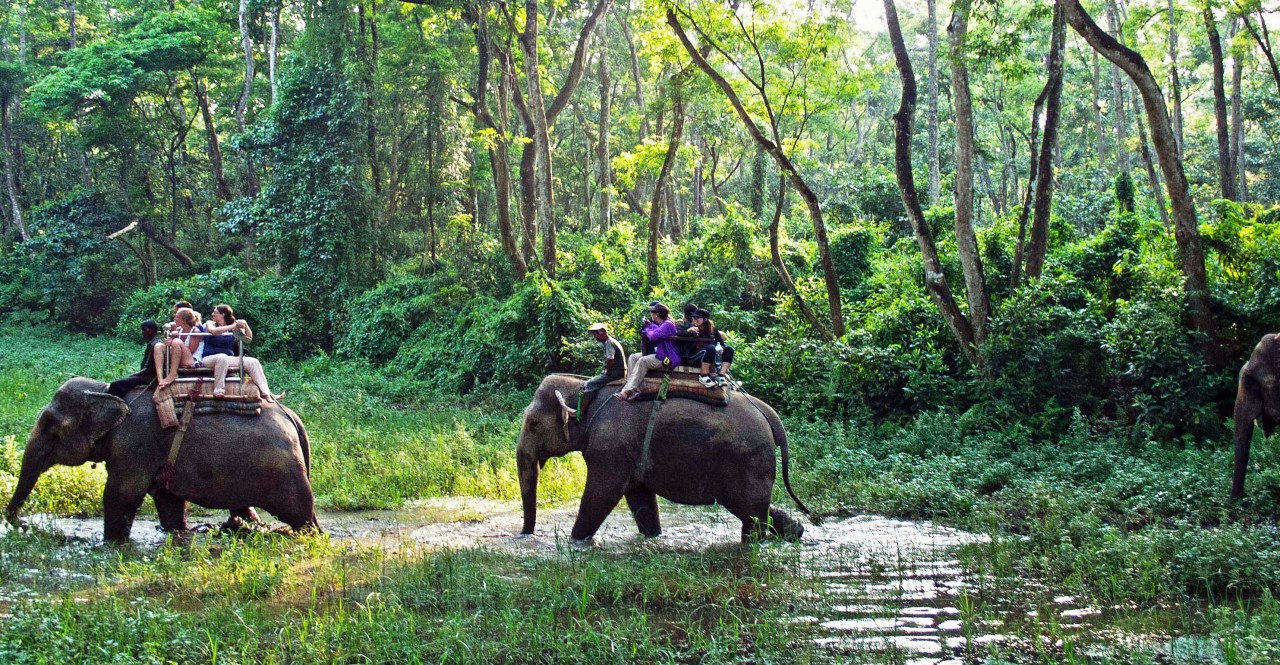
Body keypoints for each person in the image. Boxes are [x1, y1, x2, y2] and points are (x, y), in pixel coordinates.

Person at [200, 304, 282, 403]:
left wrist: (245, 325)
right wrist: (234, 325)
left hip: (228, 359)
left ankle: (266, 393)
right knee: (222, 357)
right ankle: (218, 390)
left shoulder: (232, 328)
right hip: (210, 359)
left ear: (223, 315)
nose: (212, 314)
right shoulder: (210, 323)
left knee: (253, 362)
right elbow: (213, 331)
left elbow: (247, 339)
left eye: (215, 312)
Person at [560, 323, 627, 420]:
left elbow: (610, 358)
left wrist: (607, 370)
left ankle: (581, 411)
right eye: (594, 334)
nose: (595, 336)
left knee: (590, 384)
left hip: (616, 373)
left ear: (604, 332)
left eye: (597, 333)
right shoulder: (610, 342)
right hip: (618, 371)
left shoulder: (608, 342)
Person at [617, 302, 681, 401]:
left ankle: (627, 391)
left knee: (643, 360)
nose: (651, 314)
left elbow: (653, 336)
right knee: (633, 357)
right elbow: (655, 331)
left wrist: (647, 329)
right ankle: (633, 388)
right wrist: (650, 326)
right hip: (660, 352)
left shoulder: (668, 324)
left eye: (652, 312)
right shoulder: (661, 323)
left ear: (657, 314)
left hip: (667, 356)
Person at [107, 320, 164, 397]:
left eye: (144, 329)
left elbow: (149, 369)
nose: (142, 332)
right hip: (148, 376)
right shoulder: (153, 342)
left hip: (148, 378)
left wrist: (134, 375)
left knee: (115, 385)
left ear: (152, 330)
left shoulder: (155, 344)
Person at [157, 307, 205, 389]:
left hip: (191, 360)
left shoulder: (195, 331)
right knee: (159, 346)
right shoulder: (179, 330)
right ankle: (160, 378)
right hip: (182, 357)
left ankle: (173, 374)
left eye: (177, 317)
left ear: (183, 319)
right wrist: (169, 341)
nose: (174, 319)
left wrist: (173, 342)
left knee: (176, 341)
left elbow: (190, 351)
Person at [686, 308, 735, 388]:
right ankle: (704, 375)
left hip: (710, 357)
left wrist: (721, 348)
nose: (695, 320)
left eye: (697, 318)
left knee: (729, 349)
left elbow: (721, 343)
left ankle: (721, 376)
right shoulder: (689, 326)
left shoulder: (712, 329)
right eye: (694, 318)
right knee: (710, 348)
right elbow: (679, 333)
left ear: (705, 319)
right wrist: (688, 331)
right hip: (692, 356)